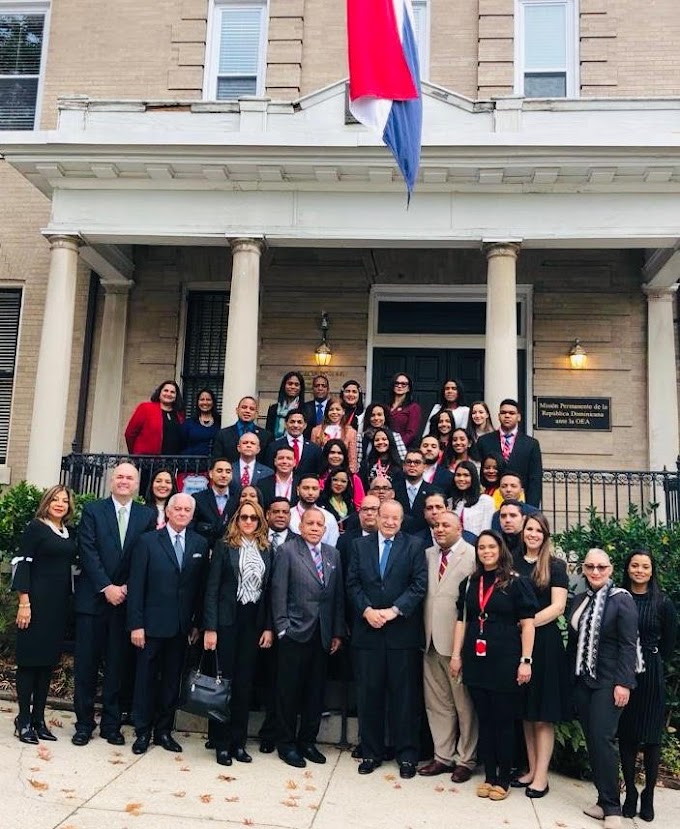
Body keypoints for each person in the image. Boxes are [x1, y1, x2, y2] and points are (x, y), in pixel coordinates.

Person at [72, 462, 156, 746]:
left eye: (129, 477)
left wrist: (127, 588)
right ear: (111, 482)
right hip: (93, 601)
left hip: (125, 603)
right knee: (86, 665)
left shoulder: (147, 515)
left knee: (117, 667)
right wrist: (106, 586)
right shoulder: (94, 510)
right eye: (119, 476)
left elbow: (145, 558)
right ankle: (84, 724)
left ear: (136, 485)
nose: (123, 481)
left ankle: (111, 725)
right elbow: (87, 550)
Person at [450, 530, 537, 801]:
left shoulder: (514, 582)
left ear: (500, 550)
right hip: (477, 660)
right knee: (484, 720)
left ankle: (503, 779)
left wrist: (526, 660)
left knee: (503, 720)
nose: (486, 551)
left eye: (491, 547)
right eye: (482, 547)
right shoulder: (470, 582)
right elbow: (462, 621)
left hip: (506, 659)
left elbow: (528, 623)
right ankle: (488, 775)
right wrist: (456, 655)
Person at [346, 499, 427, 778]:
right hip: (368, 633)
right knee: (369, 696)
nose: (390, 522)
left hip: (400, 634)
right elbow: (352, 583)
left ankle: (406, 755)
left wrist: (393, 612)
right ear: (376, 517)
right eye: (386, 517)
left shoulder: (415, 546)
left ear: (402, 520)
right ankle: (371, 752)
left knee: (404, 697)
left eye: (396, 518)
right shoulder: (360, 546)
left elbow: (419, 586)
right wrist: (367, 610)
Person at [127, 493, 208, 755]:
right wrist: (136, 625)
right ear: (169, 512)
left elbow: (199, 589)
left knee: (172, 681)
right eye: (178, 509)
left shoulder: (199, 543)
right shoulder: (148, 542)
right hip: (150, 626)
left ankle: (164, 730)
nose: (183, 513)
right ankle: (142, 731)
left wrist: (196, 622)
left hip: (182, 628)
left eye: (187, 510)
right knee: (145, 679)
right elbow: (137, 586)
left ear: (192, 515)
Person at [567, 549, 639, 829]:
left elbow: (628, 645)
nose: (595, 572)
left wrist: (624, 683)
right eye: (590, 567)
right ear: (583, 569)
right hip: (583, 681)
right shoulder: (580, 599)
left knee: (603, 740)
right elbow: (574, 643)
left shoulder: (621, 600)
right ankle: (602, 800)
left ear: (610, 569)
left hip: (610, 682)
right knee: (593, 742)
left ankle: (613, 809)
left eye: (601, 567)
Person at [271, 508, 345, 768]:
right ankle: (287, 744)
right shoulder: (287, 551)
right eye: (309, 523)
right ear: (300, 526)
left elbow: (336, 596)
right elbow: (278, 591)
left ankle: (308, 742)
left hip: (322, 635)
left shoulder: (332, 554)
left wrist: (336, 631)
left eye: (319, 524)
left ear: (325, 529)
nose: (314, 528)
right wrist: (282, 627)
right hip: (294, 633)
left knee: (315, 693)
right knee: (288, 692)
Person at [203, 500, 273, 766]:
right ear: (236, 520)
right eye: (243, 517)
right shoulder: (224, 547)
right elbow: (212, 589)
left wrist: (267, 626)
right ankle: (221, 743)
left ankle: (238, 743)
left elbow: (267, 593)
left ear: (259, 522)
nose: (248, 522)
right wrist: (210, 628)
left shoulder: (267, 549)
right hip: (226, 622)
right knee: (225, 684)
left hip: (252, 622)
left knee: (245, 685)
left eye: (253, 518)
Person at [12, 485, 77, 743]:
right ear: (47, 502)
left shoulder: (68, 532)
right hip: (35, 605)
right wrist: (24, 603)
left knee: (47, 664)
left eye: (64, 501)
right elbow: (23, 566)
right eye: (55, 500)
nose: (60, 504)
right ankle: (24, 720)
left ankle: (39, 720)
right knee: (29, 663)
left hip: (57, 607)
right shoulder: (36, 528)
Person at [514, 513, 571, 798]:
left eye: (539, 530)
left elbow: (558, 607)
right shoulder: (511, 562)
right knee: (526, 712)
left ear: (546, 535)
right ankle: (531, 769)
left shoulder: (555, 566)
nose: (533, 534)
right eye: (529, 529)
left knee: (542, 716)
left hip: (544, 645)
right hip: (517, 645)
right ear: (523, 532)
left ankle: (542, 777)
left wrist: (527, 622)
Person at [618, 550, 678, 822]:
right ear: (627, 568)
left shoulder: (662, 603)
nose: (639, 570)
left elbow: (669, 641)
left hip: (651, 672)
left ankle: (649, 795)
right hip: (624, 670)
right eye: (635, 565)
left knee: (652, 739)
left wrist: (652, 659)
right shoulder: (619, 597)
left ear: (652, 571)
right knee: (628, 734)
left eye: (645, 566)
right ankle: (630, 792)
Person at [418, 511, 477, 782]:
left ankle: (466, 758)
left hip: (457, 644)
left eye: (446, 525)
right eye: (437, 525)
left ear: (460, 527)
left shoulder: (473, 555)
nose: (439, 529)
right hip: (428, 641)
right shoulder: (428, 554)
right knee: (437, 703)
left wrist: (460, 650)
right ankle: (443, 755)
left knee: (464, 705)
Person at [257, 497, 299, 754]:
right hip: (254, 617)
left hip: (283, 621)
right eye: (276, 511)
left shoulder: (298, 542)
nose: (281, 515)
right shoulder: (256, 537)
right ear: (268, 514)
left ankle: (271, 732)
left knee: (277, 681)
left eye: (285, 512)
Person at [477, 399, 543, 507]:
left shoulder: (531, 444)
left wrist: (531, 508)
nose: (507, 416)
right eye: (503, 413)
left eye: (511, 413)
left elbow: (535, 478)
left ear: (519, 417)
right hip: (490, 500)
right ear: (498, 416)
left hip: (520, 502)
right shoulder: (484, 441)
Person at [124, 380, 185, 455]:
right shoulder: (145, 408)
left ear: (176, 396)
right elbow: (130, 433)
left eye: (172, 392)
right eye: (166, 390)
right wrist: (135, 454)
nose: (169, 394)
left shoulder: (179, 414)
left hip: (171, 461)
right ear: (159, 393)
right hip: (147, 460)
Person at [192, 457, 238, 547]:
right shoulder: (198, 498)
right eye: (219, 471)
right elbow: (192, 527)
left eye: (228, 472)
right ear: (211, 474)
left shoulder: (237, 499)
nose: (224, 475)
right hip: (204, 548)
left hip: (231, 549)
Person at [211, 396, 272, 463]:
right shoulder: (223, 434)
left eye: (252, 409)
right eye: (244, 407)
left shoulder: (266, 436)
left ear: (256, 414)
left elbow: (268, 463)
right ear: (237, 410)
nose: (247, 411)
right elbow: (216, 461)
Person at [265, 408, 323, 477]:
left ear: (305, 425)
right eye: (292, 422)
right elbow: (269, 471)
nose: (295, 425)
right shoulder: (274, 446)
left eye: (299, 422)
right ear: (286, 424)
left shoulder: (314, 449)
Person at [393, 449, 439, 533]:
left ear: (424, 467)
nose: (412, 465)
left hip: (425, 538)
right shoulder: (394, 490)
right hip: (399, 536)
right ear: (403, 466)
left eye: (417, 462)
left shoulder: (434, 491)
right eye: (409, 462)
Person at [448, 461, 495, 541]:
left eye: (466, 475)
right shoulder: (450, 502)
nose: (461, 479)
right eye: (458, 475)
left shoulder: (485, 501)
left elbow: (486, 530)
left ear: (473, 477)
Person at [310, 396, 359, 472]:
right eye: (331, 409)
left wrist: (351, 475)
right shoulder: (316, 430)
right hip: (321, 471)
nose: (334, 412)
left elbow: (352, 458)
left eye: (338, 409)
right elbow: (313, 455)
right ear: (327, 412)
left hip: (342, 473)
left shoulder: (350, 432)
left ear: (343, 411)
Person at [289, 474, 340, 545]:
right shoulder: (289, 515)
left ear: (319, 491)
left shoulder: (329, 517)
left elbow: (332, 548)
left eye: (314, 488)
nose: (310, 493)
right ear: (298, 490)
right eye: (306, 488)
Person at [319, 439, 365, 508]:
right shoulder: (319, 478)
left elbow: (360, 505)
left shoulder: (353, 479)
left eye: (339, 453)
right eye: (332, 452)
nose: (336, 456)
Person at [181, 387, 220, 456]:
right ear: (197, 402)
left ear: (213, 402)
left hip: (214, 463)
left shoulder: (220, 422)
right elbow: (181, 445)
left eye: (208, 400)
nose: (205, 402)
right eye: (202, 399)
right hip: (191, 463)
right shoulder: (189, 423)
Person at [266, 371, 306, 439]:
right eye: (290, 384)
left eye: (296, 385)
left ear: (300, 388)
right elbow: (268, 432)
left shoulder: (306, 409)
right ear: (284, 385)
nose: (293, 387)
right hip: (276, 445)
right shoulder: (274, 408)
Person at [388, 372, 422, 448]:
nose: (400, 386)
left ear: (409, 388)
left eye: (404, 384)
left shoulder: (413, 407)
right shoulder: (386, 407)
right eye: (397, 383)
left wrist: (396, 446)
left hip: (402, 448)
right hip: (384, 447)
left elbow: (411, 433)